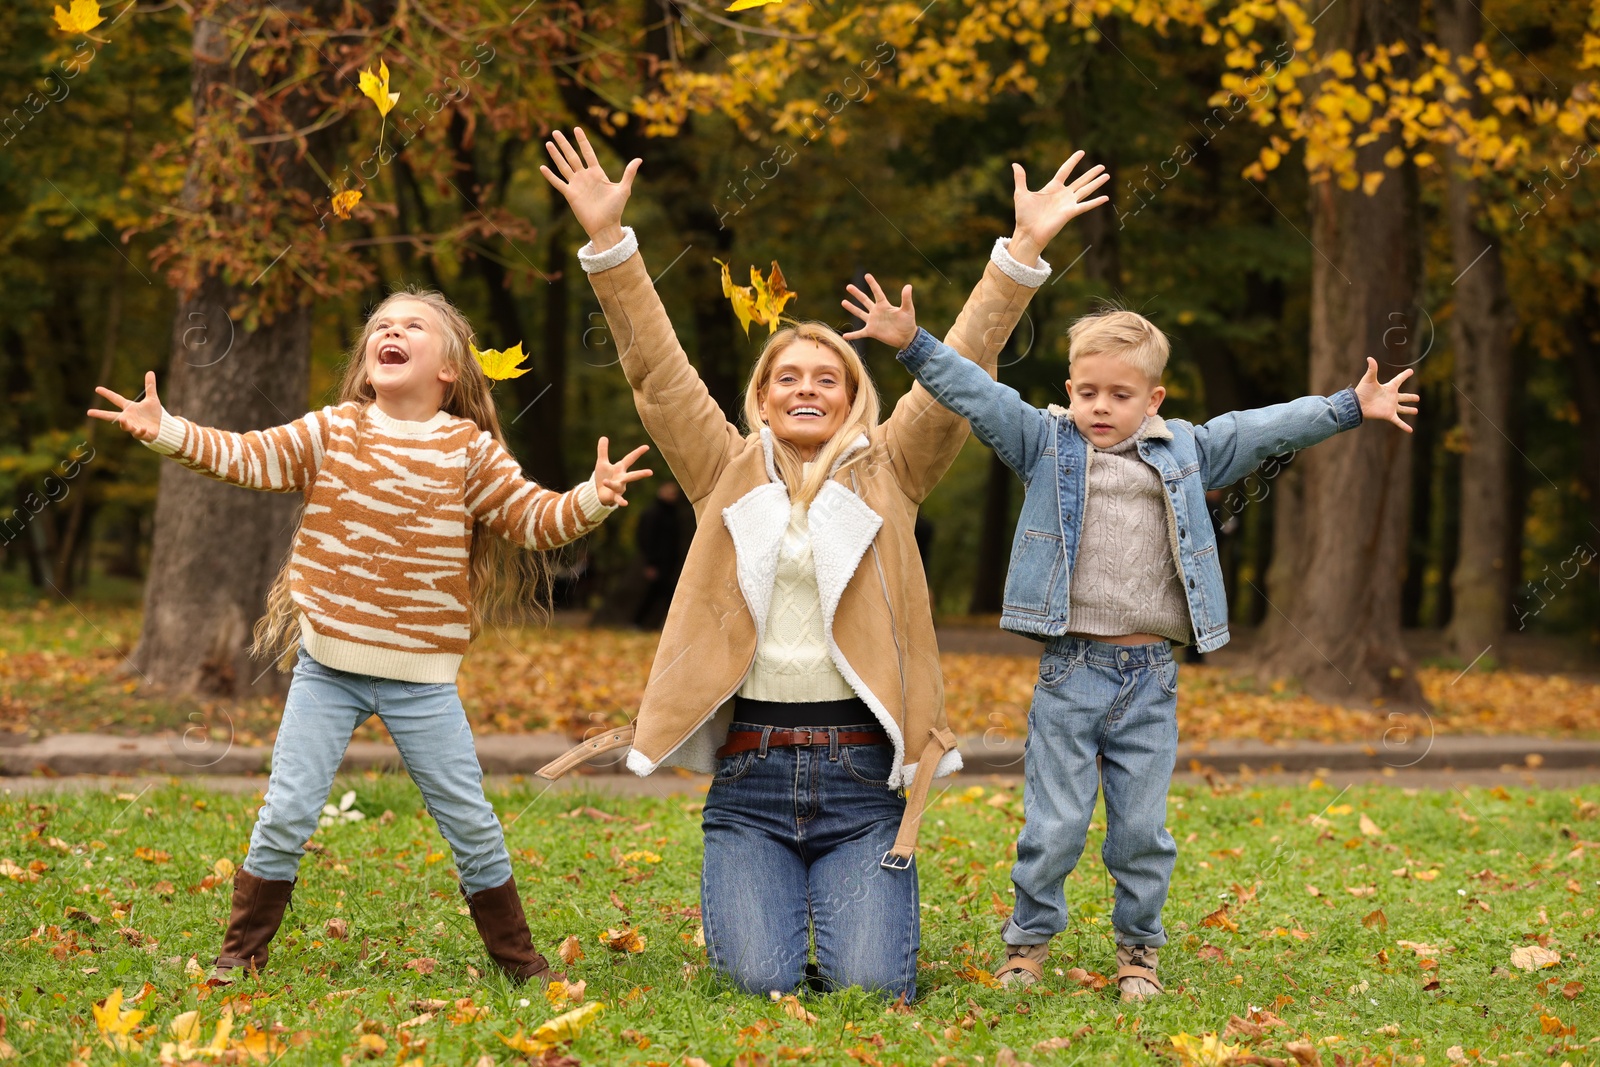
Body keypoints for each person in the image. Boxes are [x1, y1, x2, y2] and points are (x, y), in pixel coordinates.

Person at [534, 126, 1107, 1000]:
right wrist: (611, 244)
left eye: (828, 377)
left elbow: (966, 369)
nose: (807, 387)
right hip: (751, 780)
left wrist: (1021, 252)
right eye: (787, 376)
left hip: (862, 780)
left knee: (871, 989)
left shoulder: (896, 468)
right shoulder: (720, 468)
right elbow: (655, 370)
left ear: (854, 398)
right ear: (761, 397)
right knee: (761, 982)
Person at [89, 289, 650, 985]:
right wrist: (168, 428)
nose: (392, 330)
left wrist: (593, 494)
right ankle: (240, 953)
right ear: (367, 358)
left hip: (425, 680)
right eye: (381, 325)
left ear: (449, 370)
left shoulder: (467, 449)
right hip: (328, 667)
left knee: (471, 823)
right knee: (287, 810)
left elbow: (537, 519)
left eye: (413, 326)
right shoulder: (335, 430)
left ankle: (520, 962)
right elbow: (246, 456)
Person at [889, 303, 1420, 999]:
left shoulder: (1186, 450)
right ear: (1069, 387)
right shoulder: (1045, 443)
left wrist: (1349, 405)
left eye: (1119, 394)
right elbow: (981, 395)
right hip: (1070, 673)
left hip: (1150, 679)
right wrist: (914, 345)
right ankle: (1027, 944)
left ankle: (1138, 951)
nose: (1099, 407)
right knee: (1054, 825)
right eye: (1086, 392)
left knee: (1140, 830)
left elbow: (1263, 428)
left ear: (1153, 399)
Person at [633, 480, 691, 629]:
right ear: (661, 492)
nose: (673, 496)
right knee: (658, 594)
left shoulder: (673, 514)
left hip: (670, 563)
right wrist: (650, 563)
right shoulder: (652, 513)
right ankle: (638, 623)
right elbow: (646, 538)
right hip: (657, 563)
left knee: (662, 594)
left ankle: (646, 624)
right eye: (670, 492)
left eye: (674, 493)